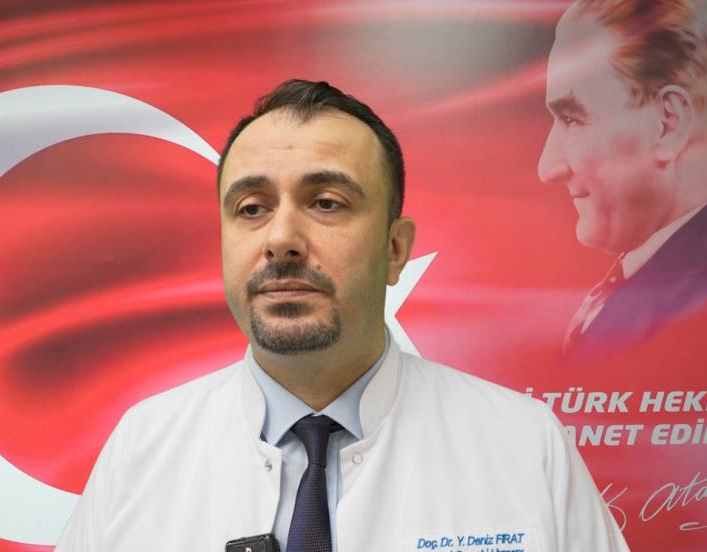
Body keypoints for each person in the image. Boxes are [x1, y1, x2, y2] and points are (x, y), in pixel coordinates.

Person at [56, 79, 628, 551]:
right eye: (251, 208)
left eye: (326, 202)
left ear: (395, 250)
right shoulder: (142, 450)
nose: (281, 239)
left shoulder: (525, 445)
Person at [538, 0, 707, 358]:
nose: (547, 168)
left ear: (668, 122)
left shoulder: (695, 303)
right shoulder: (681, 281)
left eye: (572, 119)